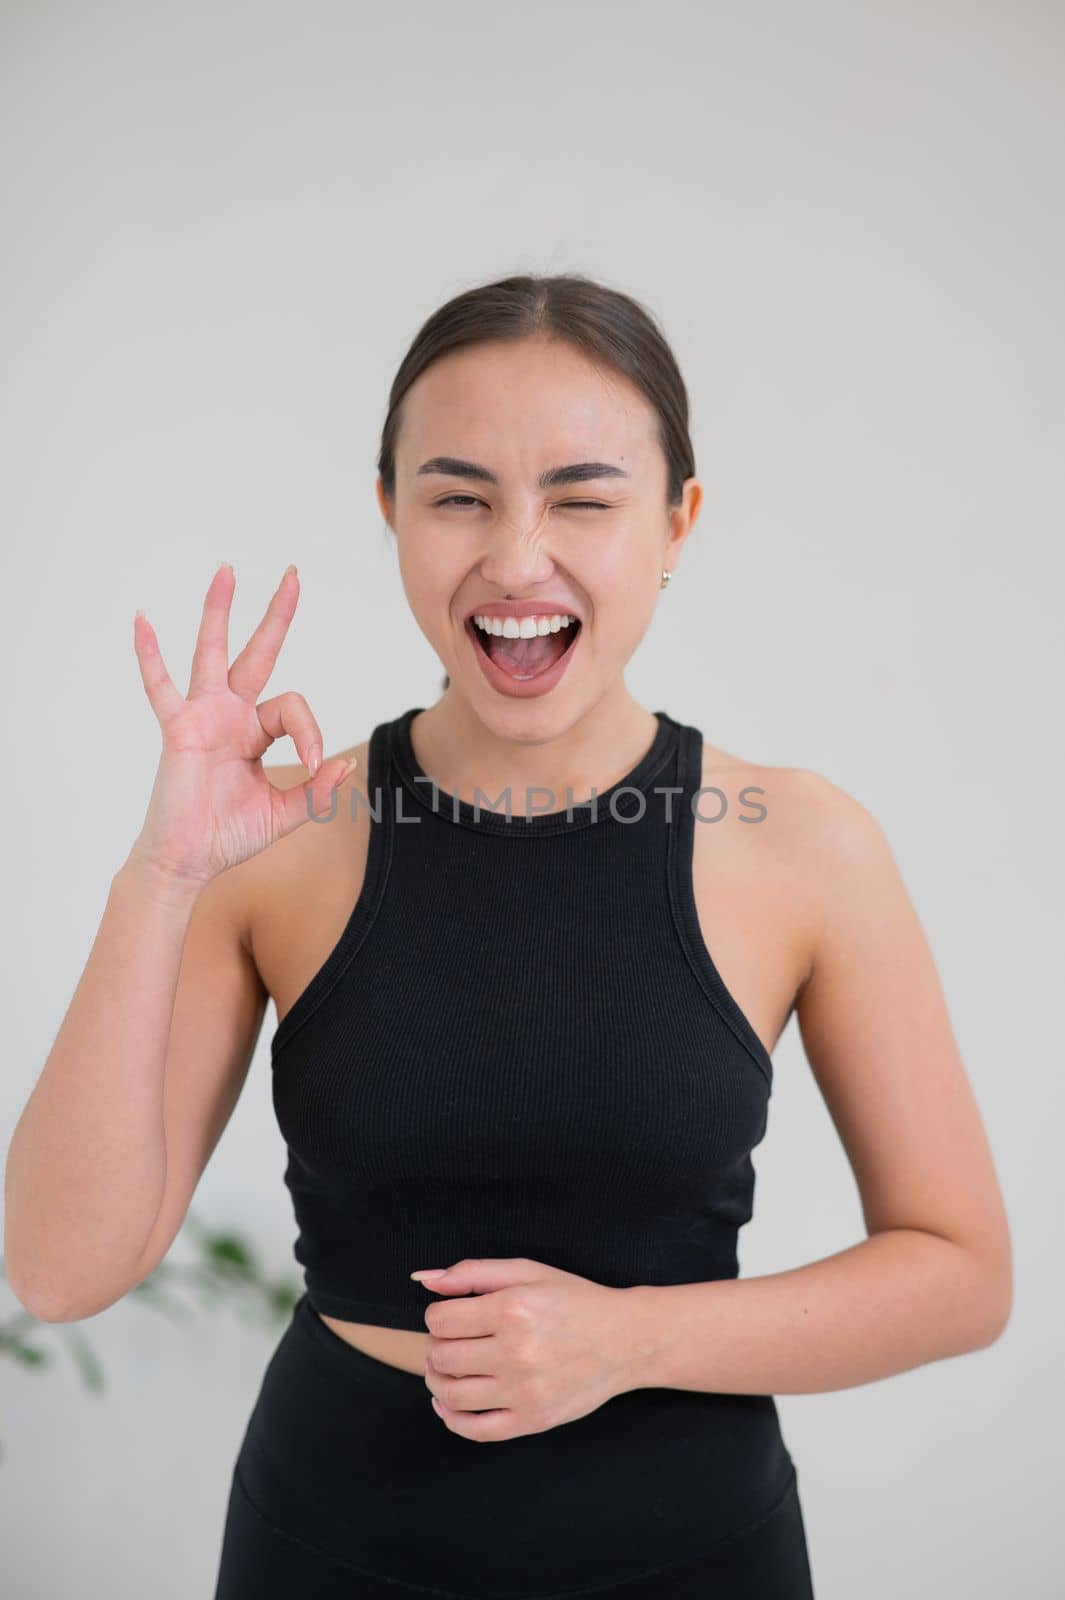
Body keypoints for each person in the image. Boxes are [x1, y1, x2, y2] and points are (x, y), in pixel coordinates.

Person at [5, 273, 1012, 1598]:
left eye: (582, 498)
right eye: (458, 495)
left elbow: (958, 1273)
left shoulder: (801, 844)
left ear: (675, 522)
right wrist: (164, 870)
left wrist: (626, 1340)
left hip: (692, 1550)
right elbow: (64, 1268)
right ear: (391, 512)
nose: (516, 557)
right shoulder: (282, 839)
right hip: (331, 1539)